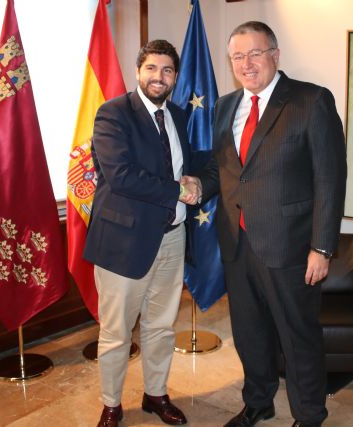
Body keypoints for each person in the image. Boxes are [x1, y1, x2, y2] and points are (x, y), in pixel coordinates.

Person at [185, 21, 347, 427]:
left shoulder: (311, 101)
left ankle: (309, 415)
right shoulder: (224, 106)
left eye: (255, 53)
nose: (246, 63)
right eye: (238, 56)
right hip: (237, 247)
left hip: (290, 249)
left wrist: (322, 247)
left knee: (298, 337)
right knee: (250, 333)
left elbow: (330, 178)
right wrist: (195, 186)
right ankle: (258, 401)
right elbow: (222, 171)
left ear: (275, 54)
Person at [83, 39, 200, 427]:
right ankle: (112, 404)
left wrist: (197, 182)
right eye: (152, 68)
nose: (159, 77)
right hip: (124, 243)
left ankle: (155, 394)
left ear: (175, 77)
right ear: (138, 71)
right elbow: (121, 175)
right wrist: (177, 189)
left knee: (161, 326)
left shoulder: (180, 117)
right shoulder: (113, 114)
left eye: (167, 70)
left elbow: (194, 164)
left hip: (172, 238)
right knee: (117, 332)